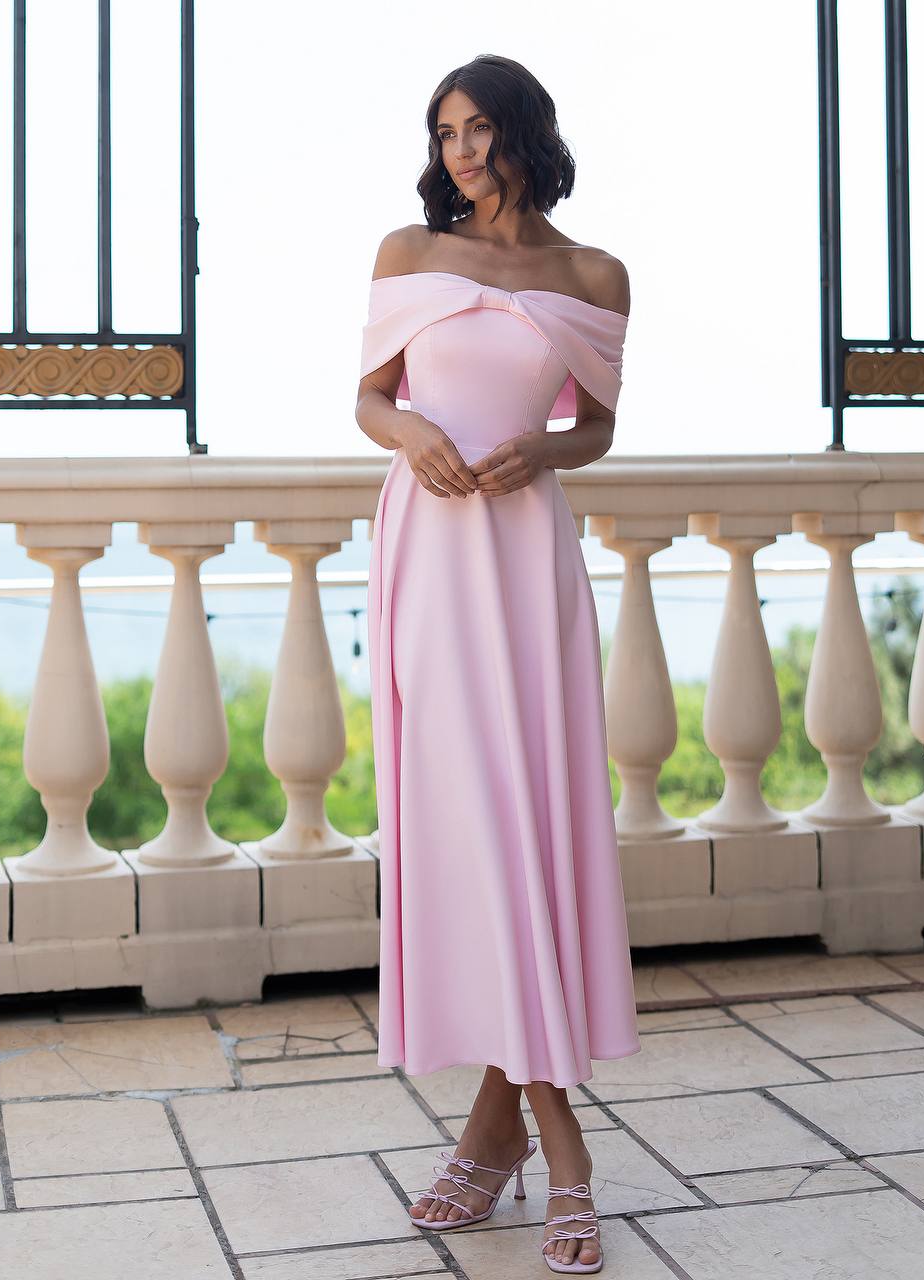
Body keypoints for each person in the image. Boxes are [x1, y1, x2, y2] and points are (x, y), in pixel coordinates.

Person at [355, 53, 641, 1275]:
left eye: (480, 128)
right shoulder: (407, 257)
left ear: (524, 130)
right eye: (445, 131)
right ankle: (559, 1142)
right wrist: (411, 426)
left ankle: (497, 1131)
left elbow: (601, 421)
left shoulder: (593, 275)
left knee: (525, 831)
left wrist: (547, 453)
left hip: (526, 564)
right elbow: (369, 401)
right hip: (431, 555)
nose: (461, 150)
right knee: (473, 830)